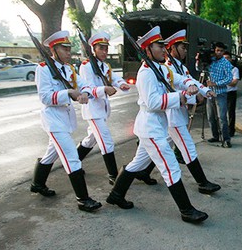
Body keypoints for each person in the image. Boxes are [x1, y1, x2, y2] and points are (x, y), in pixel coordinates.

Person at [106, 26, 212, 223]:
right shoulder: (146, 73)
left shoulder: (161, 67)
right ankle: (187, 211)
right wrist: (180, 97)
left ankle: (116, 195)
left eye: (164, 46)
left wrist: (197, 88)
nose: (164, 50)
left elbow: (180, 79)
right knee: (171, 167)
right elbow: (153, 102)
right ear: (147, 49)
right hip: (151, 128)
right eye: (159, 46)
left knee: (137, 164)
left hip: (155, 126)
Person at [30, 30, 102, 212]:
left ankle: (37, 183)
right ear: (53, 50)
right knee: (72, 158)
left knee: (51, 154)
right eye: (65, 49)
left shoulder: (68, 69)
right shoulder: (44, 69)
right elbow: (45, 97)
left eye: (70, 48)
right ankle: (83, 199)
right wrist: (68, 93)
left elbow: (82, 84)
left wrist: (85, 92)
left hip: (64, 119)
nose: (69, 52)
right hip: (53, 120)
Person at [162, 29, 221, 192]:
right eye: (182, 47)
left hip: (178, 113)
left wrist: (204, 91)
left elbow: (191, 81)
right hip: (173, 114)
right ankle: (202, 183)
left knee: (151, 151)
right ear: (172, 48)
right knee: (188, 148)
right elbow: (173, 92)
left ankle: (138, 173)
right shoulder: (168, 68)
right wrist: (195, 97)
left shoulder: (179, 66)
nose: (185, 51)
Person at [76, 31, 133, 186]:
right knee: (106, 141)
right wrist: (104, 90)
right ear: (93, 49)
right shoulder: (86, 66)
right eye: (101, 48)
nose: (104, 52)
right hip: (92, 110)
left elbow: (113, 77)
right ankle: (113, 175)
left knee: (90, 140)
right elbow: (88, 87)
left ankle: (74, 163)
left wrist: (121, 83)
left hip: (102, 109)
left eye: (106, 49)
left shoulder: (104, 65)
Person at [206, 42, 233, 148]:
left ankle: (226, 139)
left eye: (221, 51)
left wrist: (216, 83)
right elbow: (199, 69)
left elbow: (229, 78)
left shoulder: (226, 63)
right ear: (214, 50)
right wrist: (198, 60)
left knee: (222, 117)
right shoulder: (210, 61)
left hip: (221, 93)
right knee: (211, 116)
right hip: (209, 93)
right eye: (217, 50)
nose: (219, 53)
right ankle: (215, 136)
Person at [223, 51, 240, 137]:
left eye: (227, 58)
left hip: (231, 93)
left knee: (231, 112)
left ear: (230, 59)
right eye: (224, 58)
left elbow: (234, 82)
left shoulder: (234, 69)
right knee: (222, 113)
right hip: (222, 93)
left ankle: (231, 130)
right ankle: (223, 130)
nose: (226, 60)